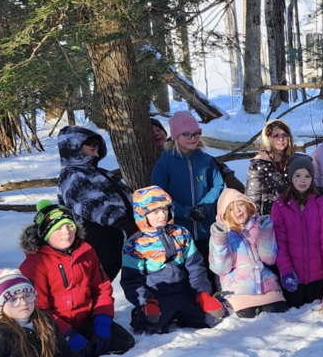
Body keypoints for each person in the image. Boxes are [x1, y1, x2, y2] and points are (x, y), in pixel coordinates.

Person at [19, 201, 135, 357]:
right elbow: (39, 310)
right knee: (67, 356)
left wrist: (102, 321)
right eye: (58, 228)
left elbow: (101, 288)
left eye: (69, 226)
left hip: (85, 319)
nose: (66, 232)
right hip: (55, 327)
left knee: (124, 342)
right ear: (46, 232)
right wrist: (67, 334)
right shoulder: (35, 264)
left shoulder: (86, 251)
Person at [121, 186, 226, 334]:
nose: (162, 215)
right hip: (158, 296)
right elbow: (131, 280)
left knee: (214, 318)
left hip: (185, 292)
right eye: (155, 212)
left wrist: (202, 292)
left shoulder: (181, 233)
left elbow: (195, 266)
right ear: (142, 214)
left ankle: (183, 313)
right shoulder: (135, 244)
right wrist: (146, 300)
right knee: (150, 328)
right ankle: (142, 312)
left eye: (165, 209)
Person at [151, 111, 225, 282]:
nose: (193, 138)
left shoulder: (206, 160)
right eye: (187, 134)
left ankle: (212, 297)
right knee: (186, 269)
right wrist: (185, 212)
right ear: (176, 135)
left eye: (197, 133)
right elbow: (159, 194)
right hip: (179, 229)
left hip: (206, 226)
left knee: (208, 266)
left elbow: (217, 185)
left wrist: (205, 207)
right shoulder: (165, 162)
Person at [56, 125, 136, 282]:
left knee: (110, 277)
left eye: (97, 151)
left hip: (118, 232)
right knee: (96, 278)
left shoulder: (102, 173)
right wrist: (121, 221)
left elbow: (126, 194)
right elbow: (91, 202)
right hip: (96, 234)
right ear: (74, 149)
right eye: (92, 150)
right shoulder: (71, 174)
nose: (96, 154)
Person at [272, 155, 323, 307]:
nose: (303, 180)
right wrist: (285, 270)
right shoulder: (280, 205)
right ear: (291, 178)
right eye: (298, 176)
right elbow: (279, 242)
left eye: (307, 176)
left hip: (318, 276)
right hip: (293, 276)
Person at [209, 189, 288, 318]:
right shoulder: (222, 234)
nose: (238, 211)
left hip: (268, 289)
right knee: (248, 318)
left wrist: (266, 233)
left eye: (240, 204)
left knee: (278, 314)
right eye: (231, 209)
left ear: (248, 204)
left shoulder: (258, 226)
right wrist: (220, 241)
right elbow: (220, 269)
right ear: (224, 214)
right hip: (237, 293)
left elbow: (269, 259)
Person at [153, 118, 245, 193]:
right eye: (151, 132)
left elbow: (208, 163)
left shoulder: (184, 144)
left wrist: (229, 177)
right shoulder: (163, 161)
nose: (156, 133)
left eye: (158, 130)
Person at [247, 120, 296, 215]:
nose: (281, 139)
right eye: (276, 136)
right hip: (267, 217)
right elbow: (253, 195)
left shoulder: (294, 161)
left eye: (284, 135)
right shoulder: (259, 164)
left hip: (291, 215)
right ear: (268, 138)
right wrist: (255, 219)